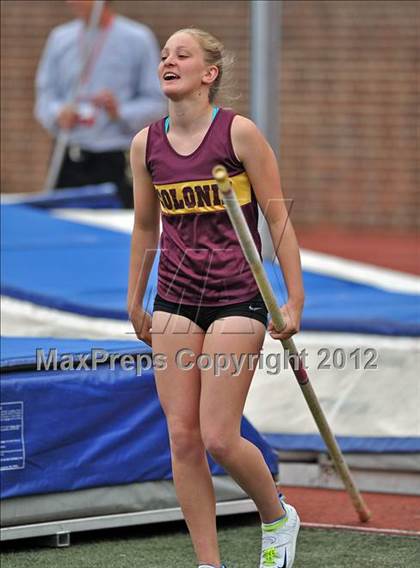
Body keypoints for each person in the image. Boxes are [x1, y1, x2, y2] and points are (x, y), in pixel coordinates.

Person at [127, 28, 304, 568]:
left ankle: (276, 516)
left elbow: (277, 217)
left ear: (209, 74)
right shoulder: (145, 145)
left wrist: (293, 300)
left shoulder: (239, 134)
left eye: (182, 54)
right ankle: (210, 563)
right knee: (182, 438)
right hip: (175, 299)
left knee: (220, 437)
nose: (168, 61)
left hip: (237, 297)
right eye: (163, 56)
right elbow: (144, 229)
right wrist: (135, 300)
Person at [34, 0, 166, 208]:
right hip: (68, 155)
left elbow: (156, 103)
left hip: (114, 159)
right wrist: (58, 113)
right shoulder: (59, 38)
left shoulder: (137, 39)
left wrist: (120, 112)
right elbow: (45, 95)